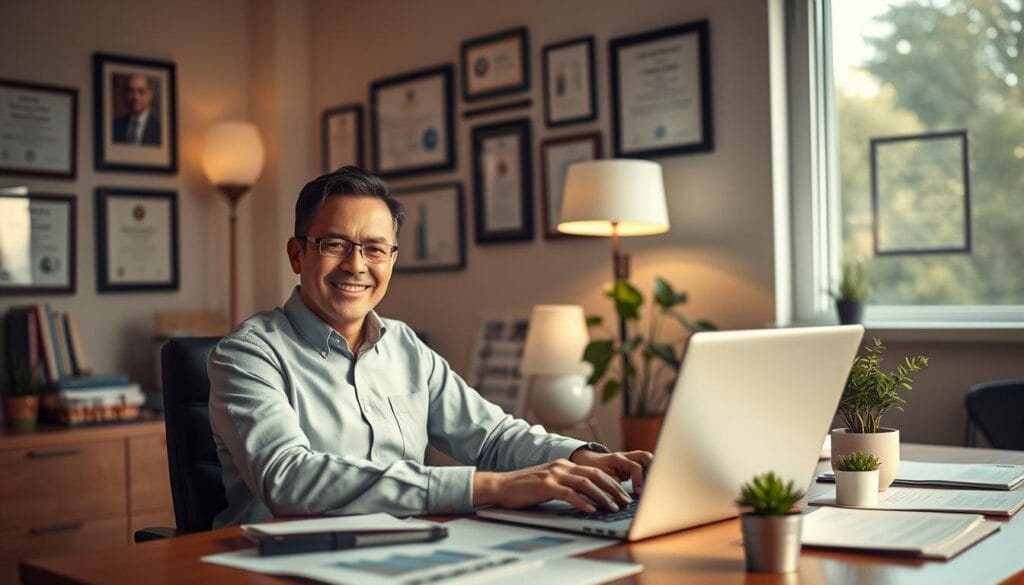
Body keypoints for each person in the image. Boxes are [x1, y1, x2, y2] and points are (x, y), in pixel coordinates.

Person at [208, 166, 652, 527]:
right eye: (335, 244)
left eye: (375, 249)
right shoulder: (247, 354)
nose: (356, 265)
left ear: (392, 259)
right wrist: (493, 487)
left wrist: (584, 457)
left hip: (406, 552)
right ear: (297, 254)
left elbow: (493, 436)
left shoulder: (404, 346)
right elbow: (289, 479)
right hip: (279, 563)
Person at [112, 74, 160, 145]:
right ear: (125, 94)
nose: (135, 97)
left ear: (150, 95)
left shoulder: (159, 129)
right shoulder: (114, 126)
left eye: (141, 92)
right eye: (131, 91)